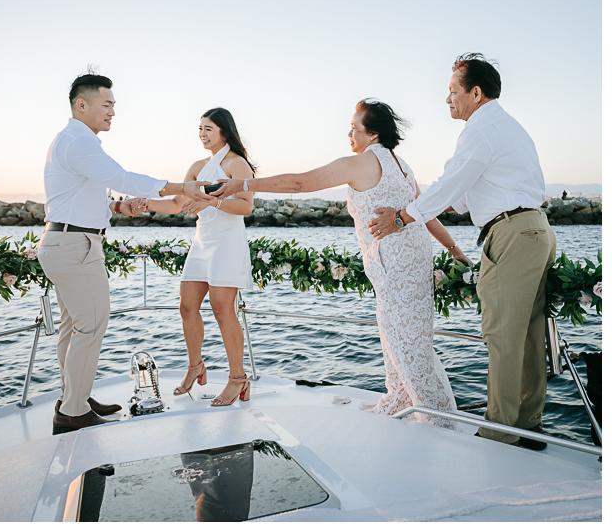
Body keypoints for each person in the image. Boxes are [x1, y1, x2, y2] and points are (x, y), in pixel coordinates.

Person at [211, 100, 469, 426]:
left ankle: (440, 424)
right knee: (404, 344)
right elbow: (425, 213)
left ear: (372, 133)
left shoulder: (361, 162)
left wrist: (244, 184)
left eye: (354, 127)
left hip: (394, 271)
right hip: (412, 266)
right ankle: (397, 402)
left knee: (410, 352)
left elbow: (300, 183)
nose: (349, 133)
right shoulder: (402, 165)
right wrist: (454, 248)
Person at [367, 54, 556, 449]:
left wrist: (402, 216)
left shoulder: (481, 128)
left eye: (453, 90)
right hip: (533, 229)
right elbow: (467, 193)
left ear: (475, 92)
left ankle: (499, 431)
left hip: (512, 233)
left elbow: (453, 181)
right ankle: (528, 425)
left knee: (503, 335)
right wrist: (429, 201)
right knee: (527, 334)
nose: (447, 98)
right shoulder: (508, 127)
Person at [37, 72, 200, 434]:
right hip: (75, 245)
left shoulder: (73, 141)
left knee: (73, 327)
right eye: (106, 104)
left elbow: (82, 195)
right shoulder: (79, 143)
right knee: (90, 326)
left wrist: (116, 208)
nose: (113, 112)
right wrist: (179, 186)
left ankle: (72, 398)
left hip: (65, 241)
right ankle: (73, 411)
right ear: (82, 104)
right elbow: (121, 176)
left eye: (114, 105)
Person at [145, 108, 255, 406]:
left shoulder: (237, 164)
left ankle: (237, 379)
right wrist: (145, 203)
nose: (202, 134)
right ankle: (196, 366)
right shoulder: (197, 166)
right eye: (200, 128)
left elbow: (246, 206)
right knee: (186, 306)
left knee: (222, 308)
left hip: (227, 242)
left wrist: (212, 201)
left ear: (224, 131)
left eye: (208, 129)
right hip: (202, 241)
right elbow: (178, 203)